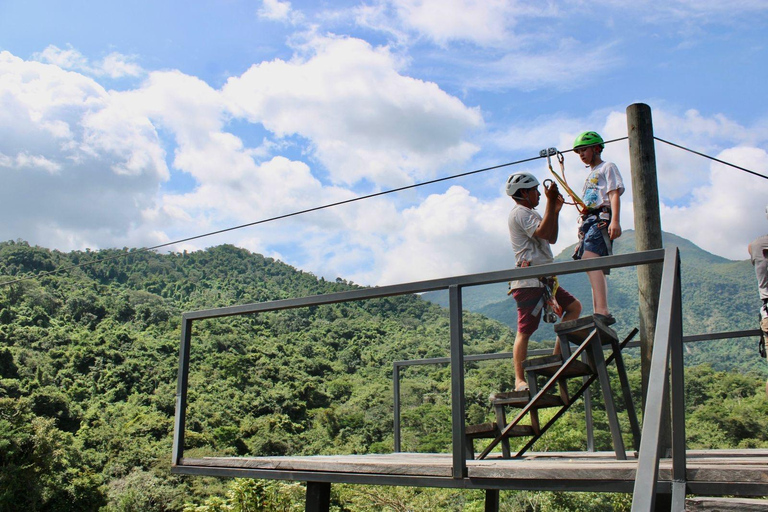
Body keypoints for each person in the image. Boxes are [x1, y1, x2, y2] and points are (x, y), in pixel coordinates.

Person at [506, 172, 582, 392]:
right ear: (524, 193)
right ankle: (519, 380)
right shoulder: (520, 212)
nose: (539, 194)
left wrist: (554, 211)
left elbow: (550, 236)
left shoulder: (530, 212)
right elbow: (543, 232)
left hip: (543, 280)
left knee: (573, 308)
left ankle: (556, 359)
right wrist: (550, 203)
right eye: (535, 190)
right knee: (525, 330)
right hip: (529, 280)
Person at [571, 131, 625, 325]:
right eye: (578, 152)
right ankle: (598, 309)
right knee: (590, 264)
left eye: (584, 150)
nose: (581, 155)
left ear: (596, 148)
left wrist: (615, 221)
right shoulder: (590, 175)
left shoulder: (607, 167)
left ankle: (602, 310)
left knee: (590, 259)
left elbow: (613, 194)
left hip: (601, 217)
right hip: (589, 220)